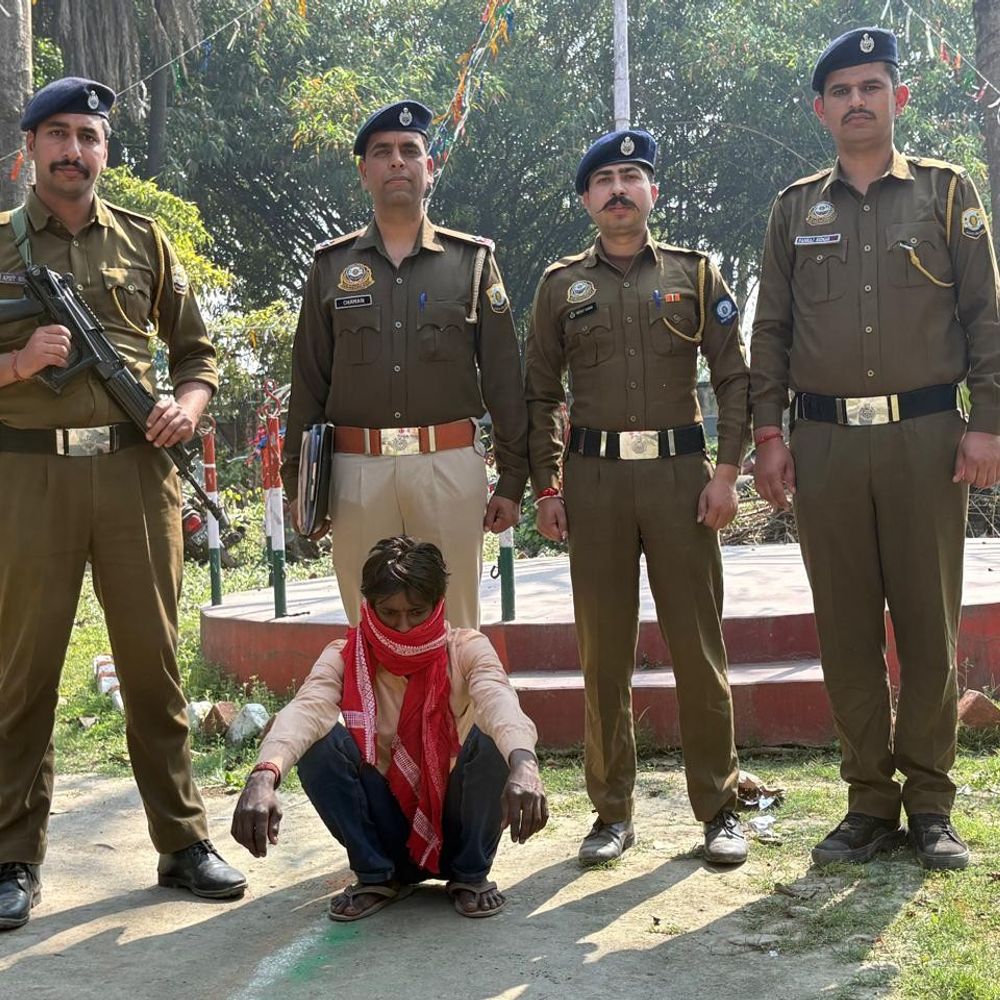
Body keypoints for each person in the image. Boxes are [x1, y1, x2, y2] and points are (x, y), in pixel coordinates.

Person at [751, 28, 1000, 870]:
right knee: (845, 627)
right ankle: (866, 801)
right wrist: (768, 434)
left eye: (871, 86)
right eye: (841, 91)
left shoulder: (945, 192)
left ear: (900, 97)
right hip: (823, 442)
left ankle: (930, 802)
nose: (857, 101)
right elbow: (770, 332)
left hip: (926, 438)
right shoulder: (794, 210)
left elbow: (986, 316)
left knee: (928, 624)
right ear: (819, 110)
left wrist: (988, 421)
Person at [0, 77, 246, 931]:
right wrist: (19, 363)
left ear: (104, 150)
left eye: (89, 136)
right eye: (58, 135)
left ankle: (182, 842)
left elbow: (199, 354)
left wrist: (188, 407)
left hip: (137, 474)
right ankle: (12, 856)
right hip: (27, 479)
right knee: (22, 672)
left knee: (152, 665)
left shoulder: (145, 240)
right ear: (30, 148)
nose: (74, 150)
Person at [523, 129, 750, 867]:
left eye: (631, 176)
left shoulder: (695, 273)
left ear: (653, 191)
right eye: (604, 180)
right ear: (586, 199)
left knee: (699, 648)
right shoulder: (560, 286)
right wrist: (547, 487)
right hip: (594, 485)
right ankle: (611, 812)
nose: (618, 190)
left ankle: (718, 808)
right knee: (604, 654)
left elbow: (734, 378)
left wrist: (726, 473)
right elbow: (539, 392)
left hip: (683, 481)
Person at [282, 100, 529, 629]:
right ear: (363, 172)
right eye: (382, 152)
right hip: (356, 474)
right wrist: (299, 482)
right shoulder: (331, 267)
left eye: (410, 150)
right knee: (368, 628)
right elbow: (308, 383)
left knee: (455, 628)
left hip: (448, 467)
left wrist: (512, 479)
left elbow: (505, 380)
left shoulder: (472, 263)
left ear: (429, 168)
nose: (397, 161)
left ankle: (455, 692)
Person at [231, 536, 547, 920]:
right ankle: (376, 875)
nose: (404, 627)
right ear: (368, 606)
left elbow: (500, 702)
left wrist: (524, 764)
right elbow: (306, 710)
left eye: (416, 612)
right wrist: (263, 775)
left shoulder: (467, 648)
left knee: (498, 740)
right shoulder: (344, 655)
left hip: (459, 824)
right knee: (318, 741)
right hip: (386, 824)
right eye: (389, 613)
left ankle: (470, 876)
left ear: (438, 605)